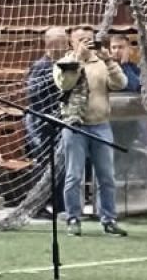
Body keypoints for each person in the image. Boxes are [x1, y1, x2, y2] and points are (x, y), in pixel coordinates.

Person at [53, 27, 127, 237]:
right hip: (74, 126)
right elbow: (65, 84)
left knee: (106, 177)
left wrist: (109, 61)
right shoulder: (64, 63)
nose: (86, 43)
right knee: (74, 176)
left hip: (101, 125)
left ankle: (109, 219)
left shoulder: (102, 63)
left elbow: (121, 84)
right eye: (81, 40)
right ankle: (73, 218)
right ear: (72, 42)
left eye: (89, 40)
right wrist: (77, 59)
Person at [24, 27, 70, 214]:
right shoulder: (41, 66)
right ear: (52, 44)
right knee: (44, 163)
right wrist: (55, 78)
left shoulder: (63, 64)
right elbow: (32, 93)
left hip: (58, 121)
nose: (66, 46)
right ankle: (37, 206)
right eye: (63, 42)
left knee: (60, 164)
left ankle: (60, 205)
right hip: (41, 122)